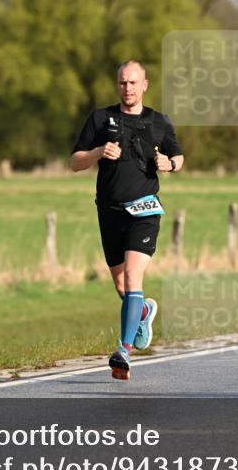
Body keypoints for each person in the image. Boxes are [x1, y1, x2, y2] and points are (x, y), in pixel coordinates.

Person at [70, 61, 184, 380]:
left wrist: (169, 164)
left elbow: (179, 156)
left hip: (145, 208)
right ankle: (143, 311)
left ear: (145, 85)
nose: (128, 88)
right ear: (117, 84)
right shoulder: (100, 119)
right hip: (109, 210)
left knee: (134, 276)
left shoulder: (158, 121)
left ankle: (124, 351)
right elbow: (74, 162)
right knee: (122, 286)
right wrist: (97, 153)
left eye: (133, 82)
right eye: (122, 82)